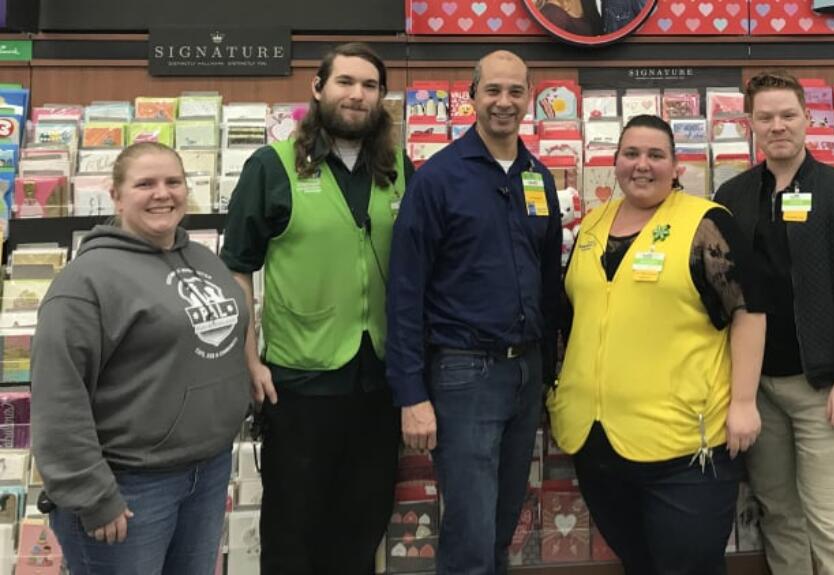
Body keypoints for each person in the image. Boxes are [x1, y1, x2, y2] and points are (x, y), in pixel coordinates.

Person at [221, 42, 411, 573]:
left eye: (370, 86)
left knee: (363, 523)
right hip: (299, 380)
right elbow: (237, 265)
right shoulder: (271, 166)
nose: (357, 95)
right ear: (318, 88)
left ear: (381, 97)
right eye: (346, 82)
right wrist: (249, 359)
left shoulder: (398, 168)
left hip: (379, 381)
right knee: (293, 528)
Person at [549, 114, 767, 574]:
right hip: (598, 440)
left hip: (686, 449)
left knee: (687, 567)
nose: (641, 165)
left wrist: (744, 401)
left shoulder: (705, 224)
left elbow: (749, 310)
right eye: (631, 154)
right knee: (639, 563)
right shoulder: (592, 225)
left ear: (676, 166)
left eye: (655, 155)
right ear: (614, 162)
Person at [31, 142, 250, 575]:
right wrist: (92, 495)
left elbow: (228, 331)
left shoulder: (205, 260)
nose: (162, 194)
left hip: (206, 472)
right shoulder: (86, 281)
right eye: (144, 184)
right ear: (115, 195)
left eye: (173, 182)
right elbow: (58, 395)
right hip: (130, 486)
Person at [386, 49, 562, 574]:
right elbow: (405, 289)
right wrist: (411, 392)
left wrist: (549, 371)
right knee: (470, 528)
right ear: (472, 97)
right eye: (493, 91)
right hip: (465, 373)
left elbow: (549, 278)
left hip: (526, 370)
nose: (504, 102)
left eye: (515, 91)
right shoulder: (438, 178)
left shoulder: (539, 177)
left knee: (504, 521)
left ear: (529, 98)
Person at [714, 70, 834, 575]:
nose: (778, 126)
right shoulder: (733, 194)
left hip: (824, 389)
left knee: (831, 521)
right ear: (750, 125)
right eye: (765, 117)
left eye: (788, 115)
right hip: (757, 390)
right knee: (780, 515)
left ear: (808, 119)